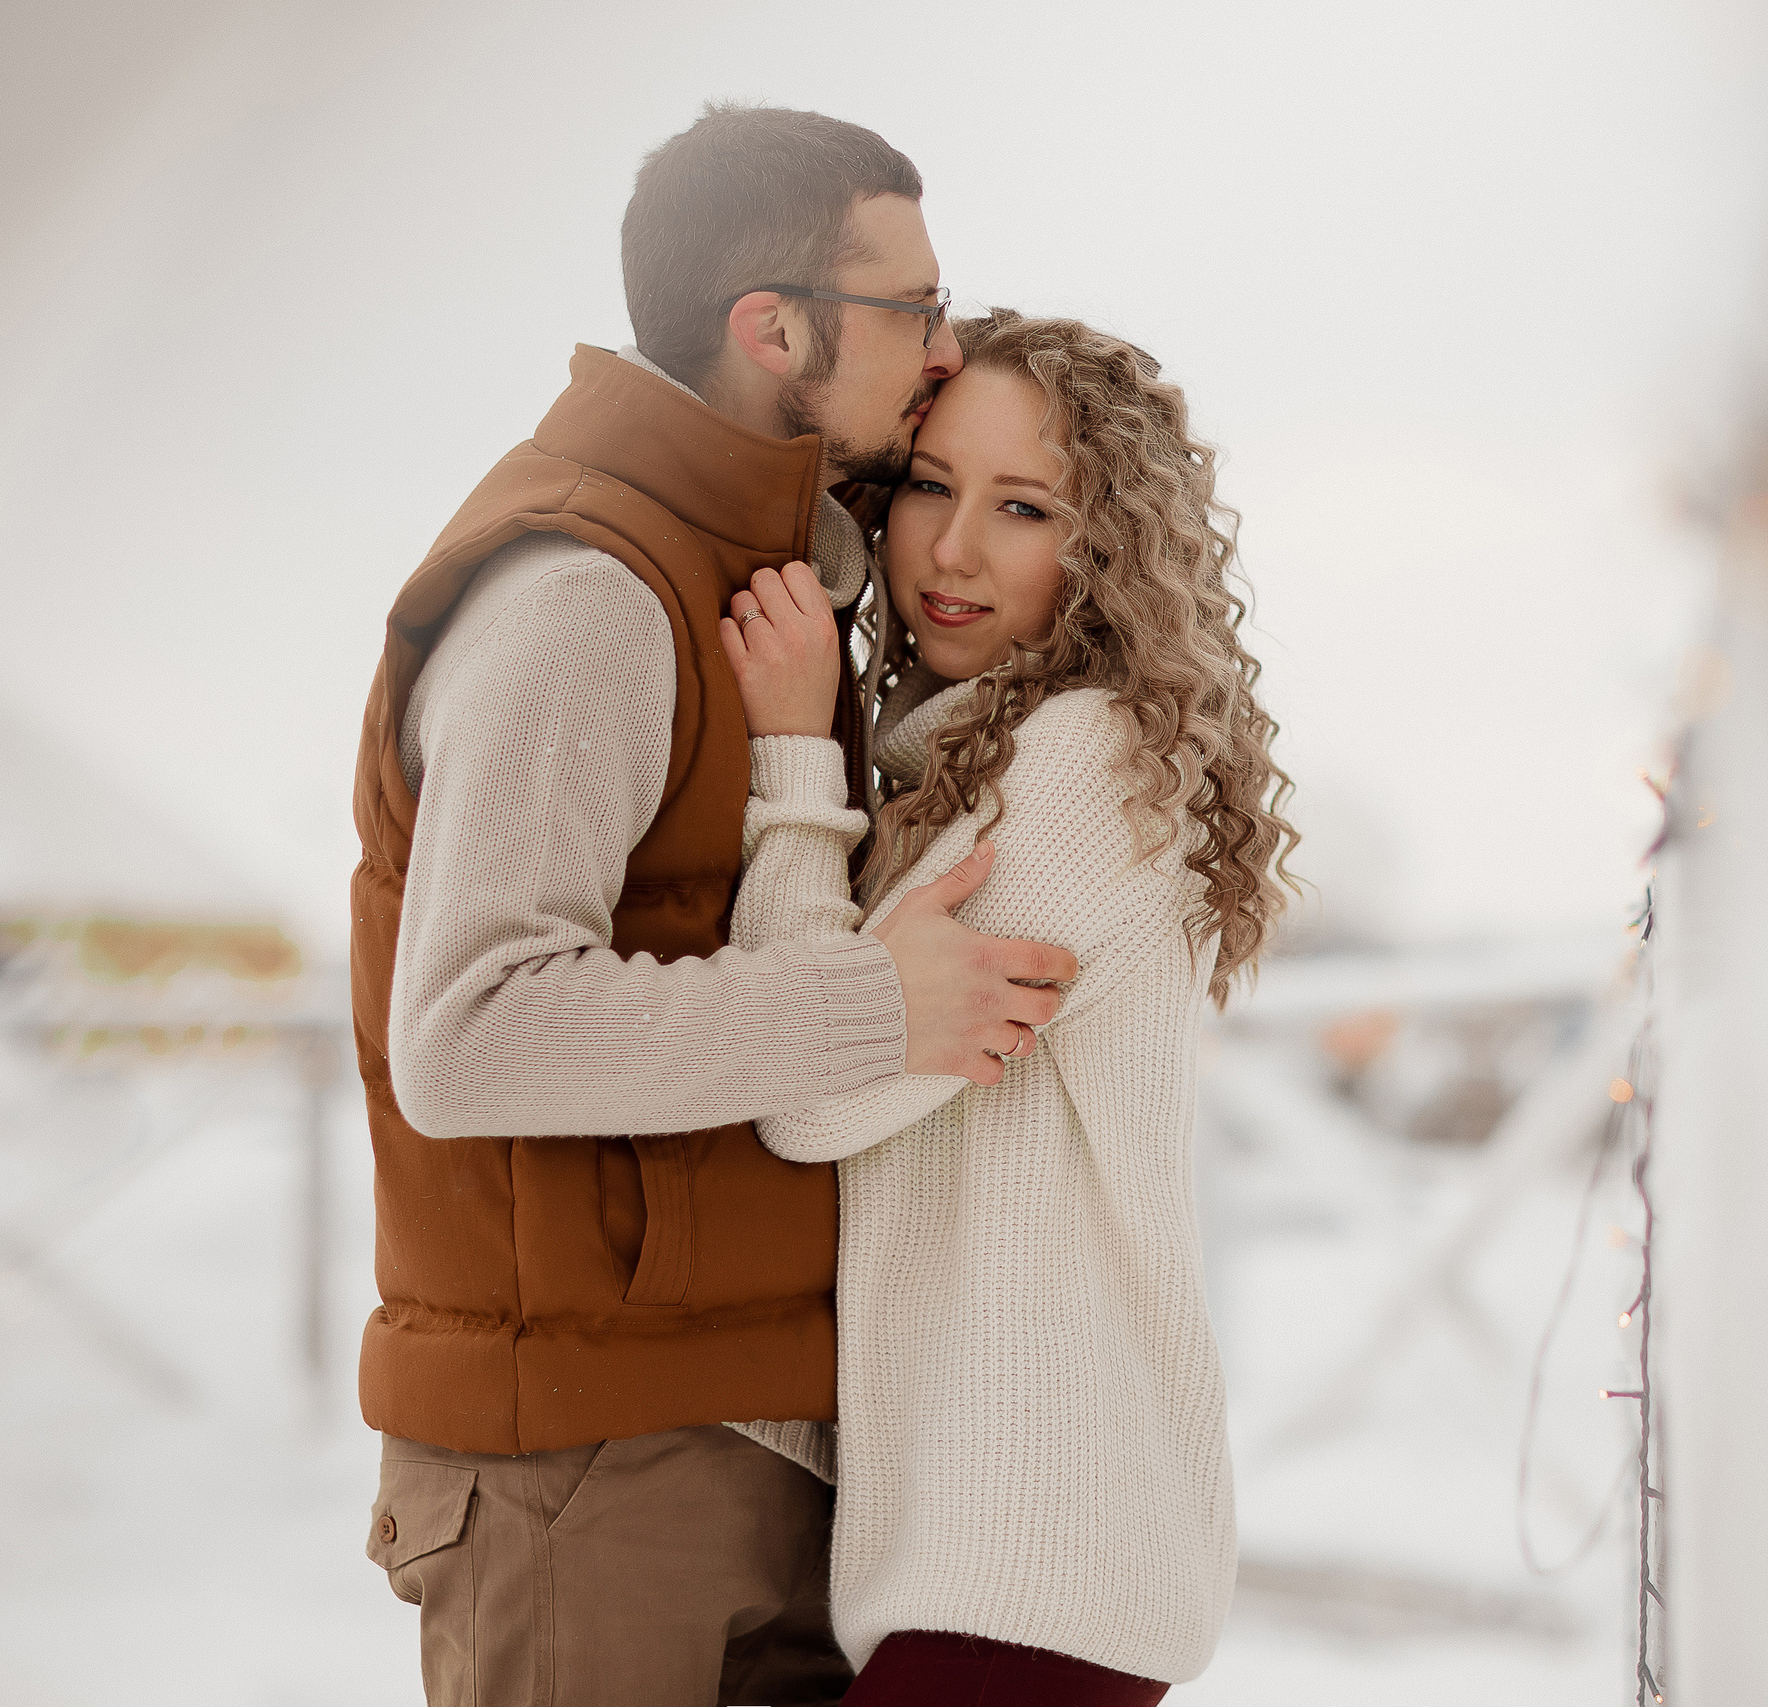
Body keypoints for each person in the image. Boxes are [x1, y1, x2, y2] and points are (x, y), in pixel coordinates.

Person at [347, 107, 1076, 1707]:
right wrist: (876, 1009)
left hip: (754, 1436)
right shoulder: (584, 597)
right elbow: (468, 1031)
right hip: (588, 1473)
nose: (946, 354)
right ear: (777, 331)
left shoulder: (756, 584)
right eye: (916, 313)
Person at [720, 309, 1298, 1704]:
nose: (954, 548)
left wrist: (793, 755)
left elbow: (809, 1088)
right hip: (990, 1564)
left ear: (1108, 552)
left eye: (1023, 507)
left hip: (1037, 1558)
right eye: (931, 485)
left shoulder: (1084, 766)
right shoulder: (958, 763)